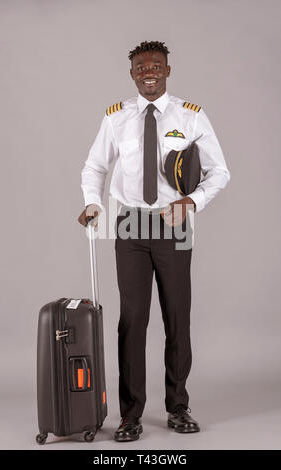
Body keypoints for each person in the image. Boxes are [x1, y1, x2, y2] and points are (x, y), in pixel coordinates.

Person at [78, 40, 230, 442]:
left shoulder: (191, 116)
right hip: (129, 225)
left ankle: (178, 408)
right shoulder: (117, 118)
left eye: (157, 65)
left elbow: (220, 172)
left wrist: (192, 202)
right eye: (142, 66)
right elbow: (95, 166)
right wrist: (93, 203)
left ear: (167, 70)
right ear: (132, 73)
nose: (149, 71)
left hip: (173, 224)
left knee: (177, 317)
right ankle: (130, 415)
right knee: (133, 321)